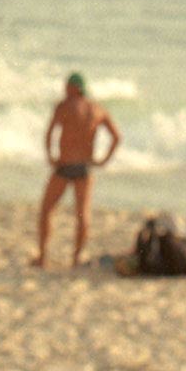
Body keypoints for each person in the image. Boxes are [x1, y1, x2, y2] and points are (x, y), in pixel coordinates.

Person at [34, 73, 120, 268]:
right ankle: (76, 257)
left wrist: (50, 156)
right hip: (85, 167)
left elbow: (50, 133)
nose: (64, 89)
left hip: (64, 166)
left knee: (46, 209)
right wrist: (103, 160)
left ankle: (43, 256)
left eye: (67, 86)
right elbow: (116, 137)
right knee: (82, 214)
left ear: (74, 88)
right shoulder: (97, 109)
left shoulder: (64, 106)